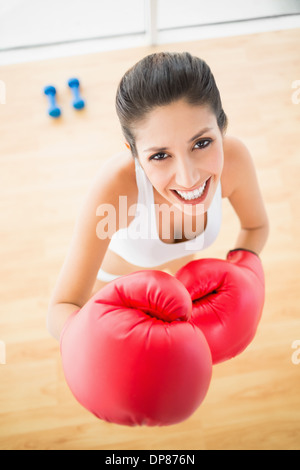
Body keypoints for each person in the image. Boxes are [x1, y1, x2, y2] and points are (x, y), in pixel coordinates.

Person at [47, 52, 269, 341]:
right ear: (135, 154)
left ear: (221, 127)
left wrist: (243, 274)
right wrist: (90, 343)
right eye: (160, 155)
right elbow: (61, 308)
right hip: (116, 285)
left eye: (202, 143)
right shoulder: (117, 187)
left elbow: (256, 227)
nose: (188, 178)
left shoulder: (234, 160)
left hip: (185, 282)